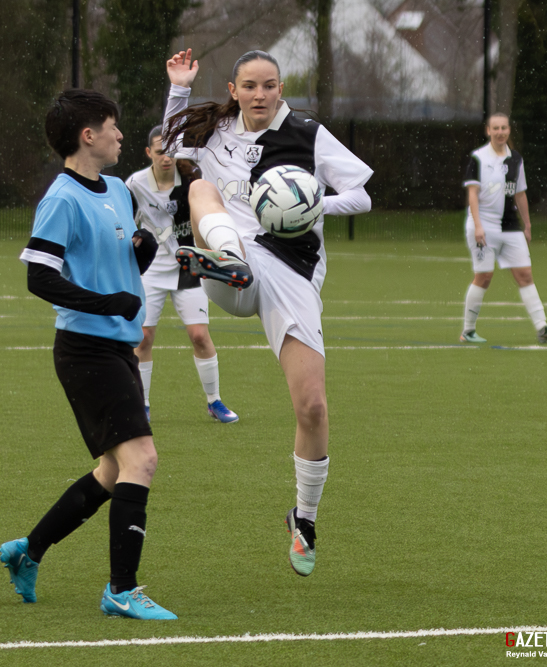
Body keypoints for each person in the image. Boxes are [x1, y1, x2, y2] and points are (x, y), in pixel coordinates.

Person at [163, 49, 373, 577]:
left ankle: (304, 519)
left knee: (313, 407)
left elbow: (361, 196)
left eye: (270, 85)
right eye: (250, 86)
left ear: (281, 89)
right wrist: (180, 88)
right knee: (200, 186)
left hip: (292, 270)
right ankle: (226, 256)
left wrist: (307, 203)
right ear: (233, 90)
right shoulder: (216, 133)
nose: (260, 94)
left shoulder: (306, 134)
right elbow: (169, 145)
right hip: (232, 265)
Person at [0, 89, 176, 621]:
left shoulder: (117, 190)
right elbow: (39, 277)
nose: (121, 135)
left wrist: (141, 253)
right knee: (142, 460)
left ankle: (28, 551)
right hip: (85, 350)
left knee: (112, 471)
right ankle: (122, 590)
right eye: (112, 126)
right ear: (87, 135)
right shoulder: (62, 199)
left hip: (118, 346)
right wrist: (107, 302)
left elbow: (119, 267)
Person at [125, 125, 238, 424]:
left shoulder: (192, 180)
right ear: (148, 153)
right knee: (143, 338)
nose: (166, 158)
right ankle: (142, 405)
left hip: (189, 266)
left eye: (171, 152)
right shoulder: (135, 184)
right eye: (160, 152)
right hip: (151, 269)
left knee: (199, 335)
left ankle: (214, 401)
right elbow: (124, 222)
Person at [460, 113, 547, 345]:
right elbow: (473, 195)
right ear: (488, 131)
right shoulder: (478, 158)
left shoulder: (515, 159)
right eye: (495, 128)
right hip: (484, 225)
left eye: (504, 128)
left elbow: (520, 193)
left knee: (525, 275)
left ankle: (543, 328)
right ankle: (467, 331)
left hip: (511, 227)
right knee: (484, 277)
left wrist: (527, 225)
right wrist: (478, 226)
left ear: (509, 130)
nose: (500, 132)